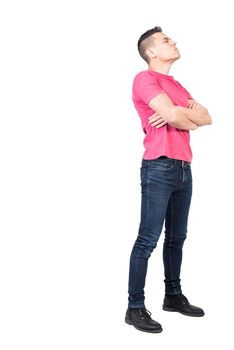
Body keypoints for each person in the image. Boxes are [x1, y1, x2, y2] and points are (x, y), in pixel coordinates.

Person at [125, 26, 212, 333]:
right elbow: (183, 118)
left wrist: (174, 111)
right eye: (165, 41)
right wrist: (182, 115)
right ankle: (135, 307)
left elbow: (207, 118)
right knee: (148, 239)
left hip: (184, 167)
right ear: (151, 52)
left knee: (177, 238)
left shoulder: (175, 85)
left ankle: (172, 295)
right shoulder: (145, 79)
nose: (172, 42)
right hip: (159, 168)